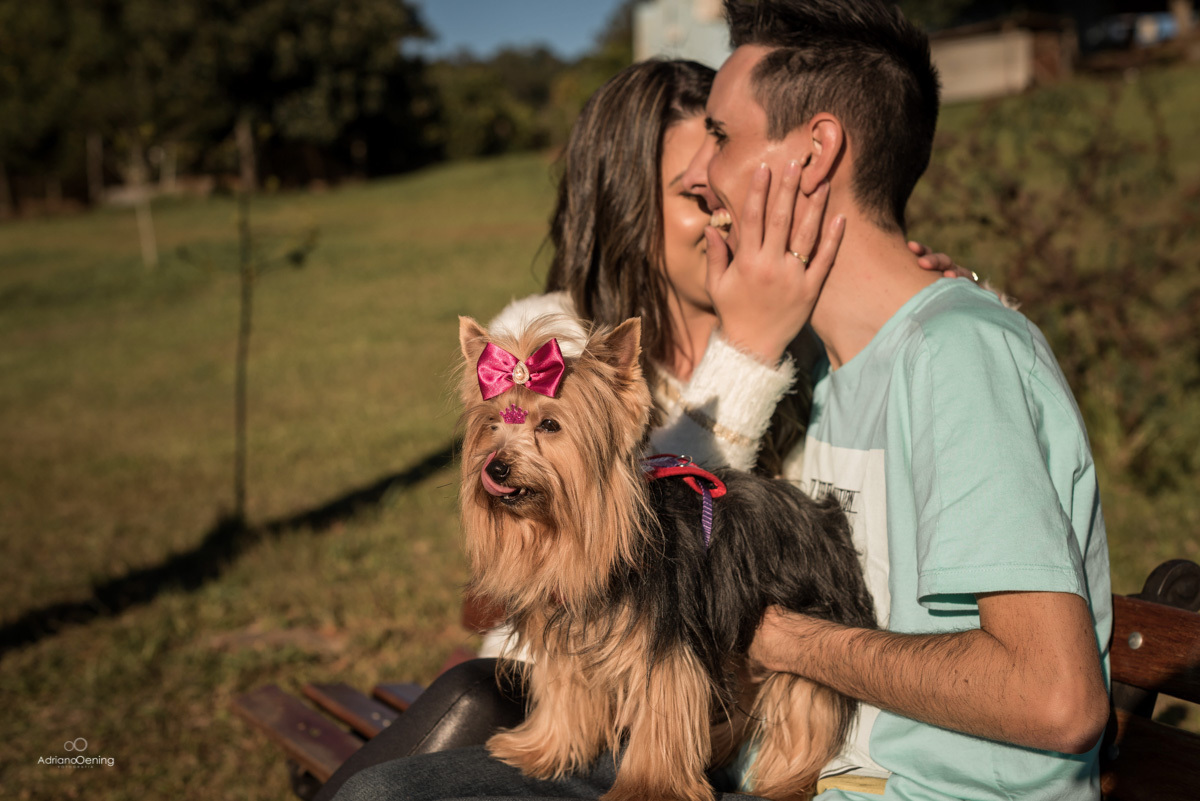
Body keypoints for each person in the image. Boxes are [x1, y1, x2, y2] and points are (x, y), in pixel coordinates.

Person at [321, 42, 986, 801]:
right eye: (693, 194)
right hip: (570, 685)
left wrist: (905, 292)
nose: (724, 208)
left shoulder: (820, 335)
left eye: (730, 177)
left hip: (742, 717)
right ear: (631, 206)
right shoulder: (551, 335)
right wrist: (747, 353)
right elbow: (631, 535)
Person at [677, 1, 1112, 799]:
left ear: (815, 151)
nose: (700, 179)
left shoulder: (956, 354)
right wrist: (743, 349)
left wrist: (787, 641)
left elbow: (1057, 699)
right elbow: (636, 553)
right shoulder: (826, 366)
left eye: (721, 137)